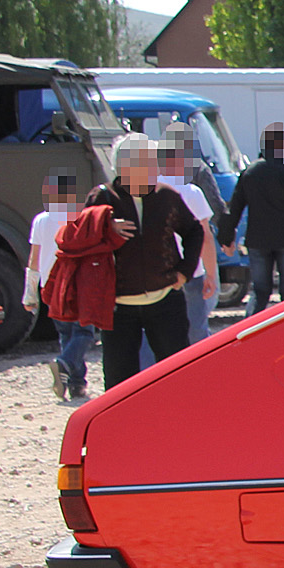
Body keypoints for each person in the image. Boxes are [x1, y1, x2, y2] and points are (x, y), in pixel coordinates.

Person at [86, 133, 202, 390]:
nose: (155, 170)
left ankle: (175, 424)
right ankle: (123, 429)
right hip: (118, 306)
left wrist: (184, 272)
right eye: (147, 164)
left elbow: (195, 231)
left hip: (165, 299)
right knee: (119, 382)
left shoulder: (166, 196)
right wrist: (105, 226)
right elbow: (80, 238)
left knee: (176, 374)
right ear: (125, 168)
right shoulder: (103, 198)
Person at [222, 123, 284, 316]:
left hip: (258, 240)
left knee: (260, 291)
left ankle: (249, 332)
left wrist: (226, 237)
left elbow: (233, 208)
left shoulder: (249, 174)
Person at [24, 172, 96, 400]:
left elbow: (33, 260)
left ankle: (76, 384)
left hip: (50, 288)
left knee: (66, 334)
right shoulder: (79, 218)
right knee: (85, 332)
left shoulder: (40, 220)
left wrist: (30, 294)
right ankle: (64, 364)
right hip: (76, 284)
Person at [153, 123, 220, 346]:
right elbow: (205, 237)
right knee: (196, 331)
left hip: (158, 271)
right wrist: (211, 274)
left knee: (154, 333)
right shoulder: (191, 193)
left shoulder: (150, 189)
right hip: (191, 271)